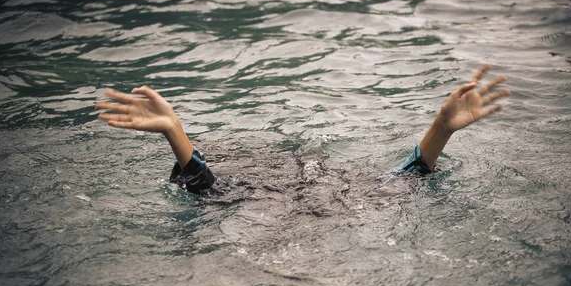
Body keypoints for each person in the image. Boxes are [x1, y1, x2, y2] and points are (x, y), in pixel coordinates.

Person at [95, 64, 510, 195]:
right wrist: (441, 129)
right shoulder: (345, 202)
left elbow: (209, 187)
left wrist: (442, 127)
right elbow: (405, 180)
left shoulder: (269, 202)